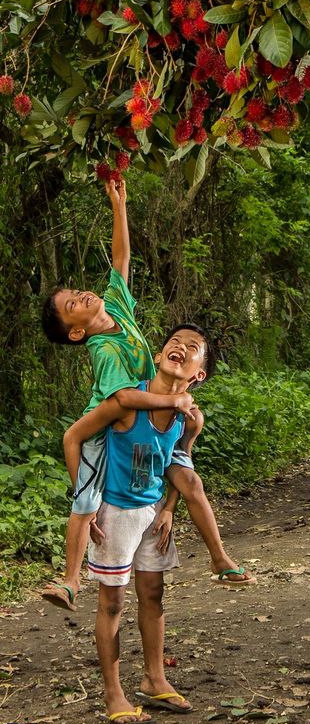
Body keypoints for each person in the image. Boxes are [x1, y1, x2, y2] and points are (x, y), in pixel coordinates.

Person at [41, 178, 252, 612]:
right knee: (86, 501)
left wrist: (119, 204)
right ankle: (68, 580)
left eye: (76, 292)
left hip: (153, 413)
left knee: (190, 480)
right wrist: (174, 401)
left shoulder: (115, 307)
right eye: (71, 305)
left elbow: (121, 257)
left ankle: (219, 557)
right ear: (77, 331)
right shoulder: (103, 349)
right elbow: (121, 401)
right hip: (114, 421)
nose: (81, 295)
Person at [64, 324, 212, 724]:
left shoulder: (186, 416)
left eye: (192, 347)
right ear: (160, 355)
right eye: (174, 342)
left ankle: (154, 679)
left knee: (153, 594)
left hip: (151, 513)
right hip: (114, 513)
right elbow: (75, 436)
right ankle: (114, 695)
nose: (180, 347)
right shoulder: (128, 400)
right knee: (112, 602)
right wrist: (86, 500)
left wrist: (168, 508)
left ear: (198, 374)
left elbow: (177, 463)